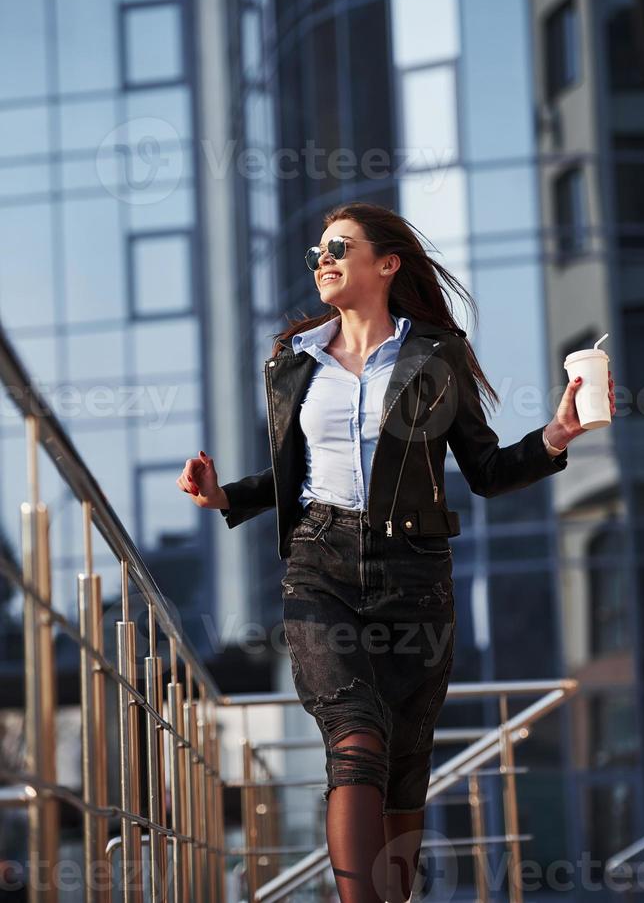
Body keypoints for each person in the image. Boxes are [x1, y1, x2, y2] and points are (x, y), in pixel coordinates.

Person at [177, 201, 616, 903]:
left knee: (404, 769)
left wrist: (556, 434)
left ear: (386, 264)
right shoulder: (292, 363)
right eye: (317, 250)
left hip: (414, 576)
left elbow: (485, 471)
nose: (321, 259)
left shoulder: (435, 356)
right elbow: (296, 475)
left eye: (338, 247)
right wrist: (225, 496)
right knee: (355, 739)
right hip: (317, 569)